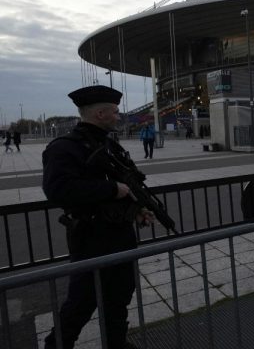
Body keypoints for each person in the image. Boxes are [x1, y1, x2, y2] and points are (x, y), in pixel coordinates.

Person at [42, 85, 154, 349]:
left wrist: (138, 209)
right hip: (90, 237)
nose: (119, 116)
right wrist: (111, 189)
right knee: (81, 301)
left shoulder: (110, 146)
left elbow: (129, 183)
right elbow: (57, 190)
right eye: (115, 112)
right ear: (101, 113)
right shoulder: (64, 148)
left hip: (120, 233)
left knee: (120, 295)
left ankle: (116, 342)